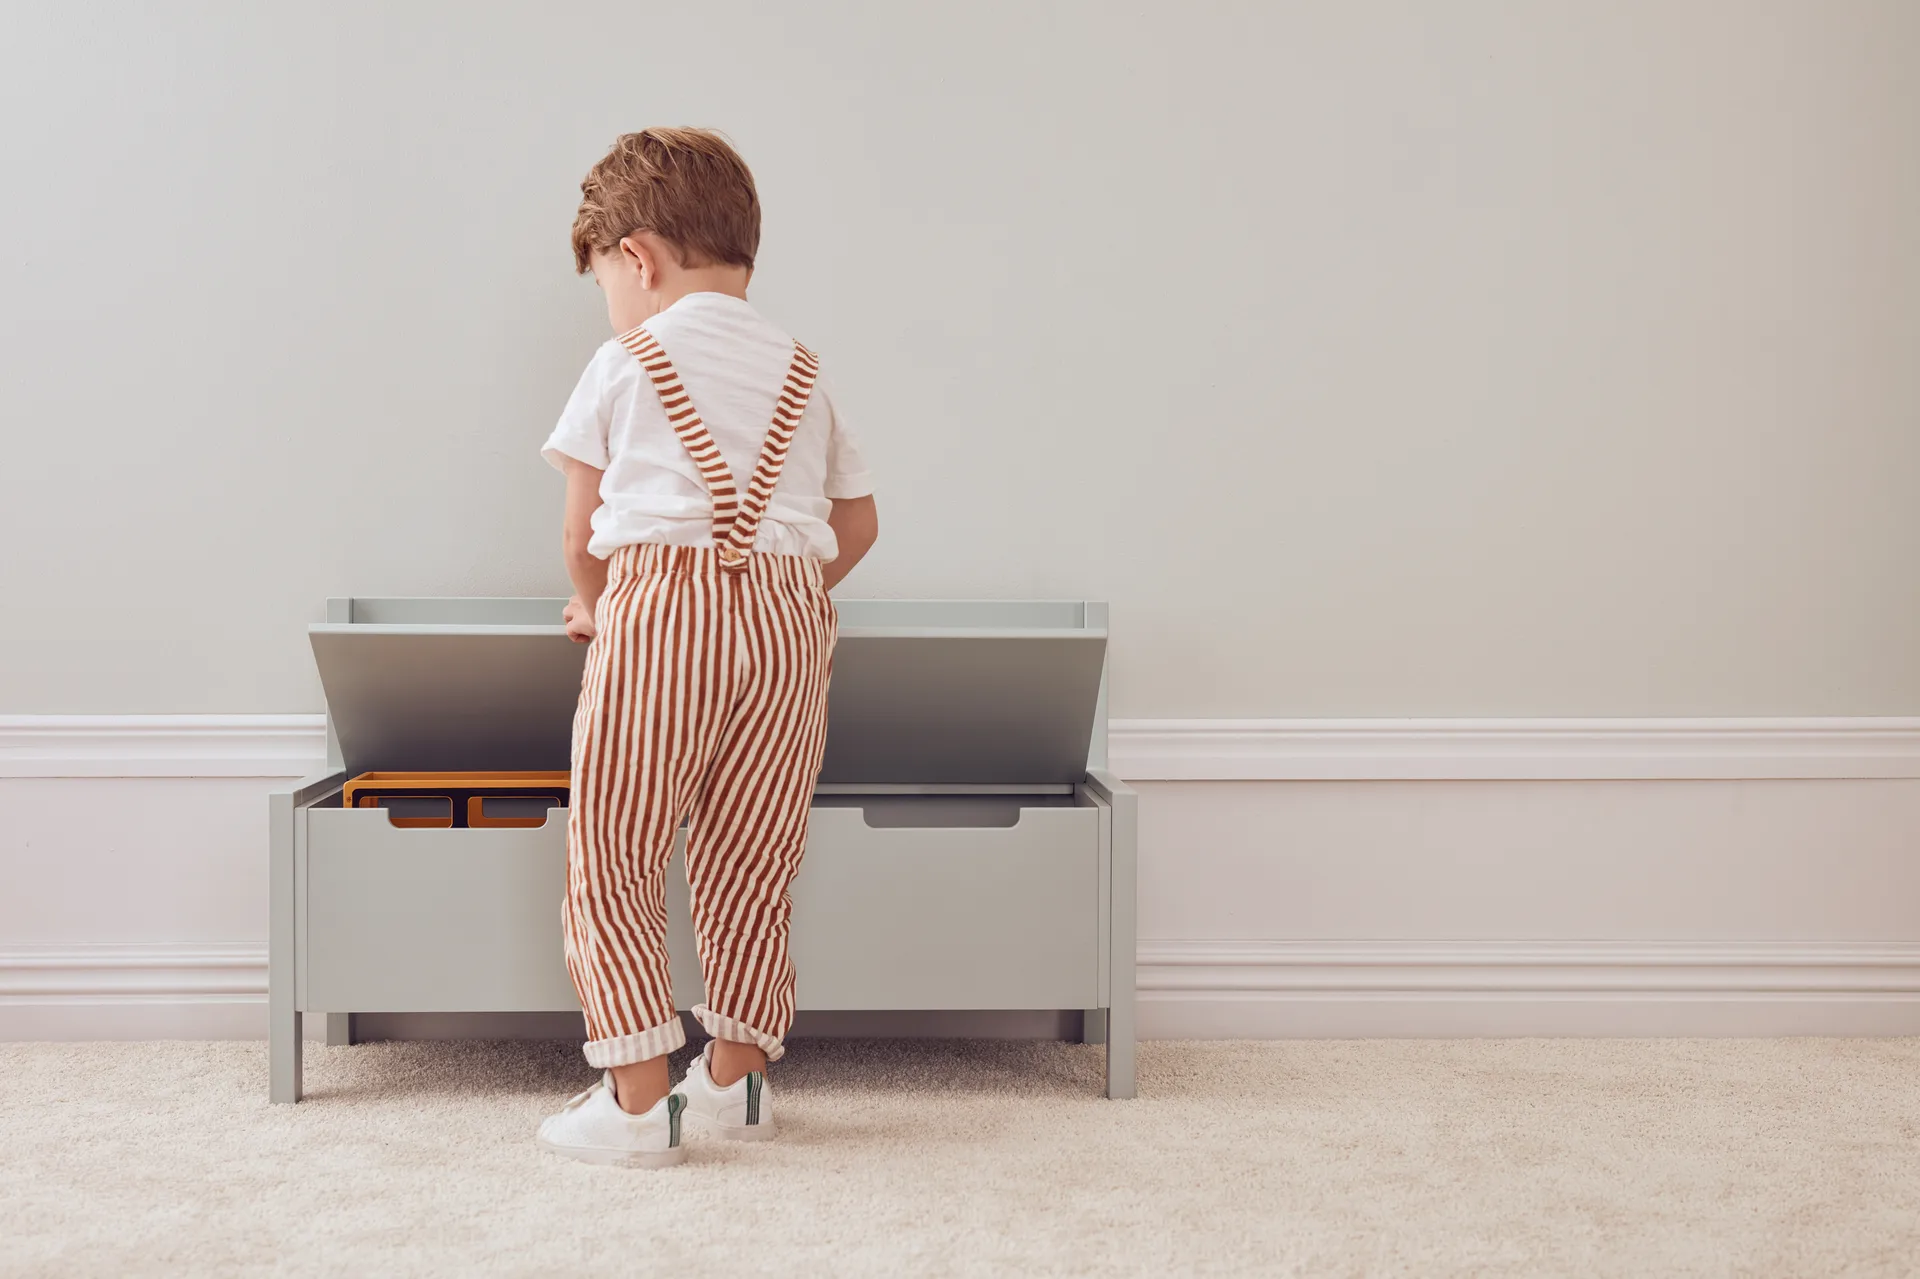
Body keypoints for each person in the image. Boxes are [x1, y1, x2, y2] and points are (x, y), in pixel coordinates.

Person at [534, 128, 879, 1167]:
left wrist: (594, 604)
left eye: (607, 279)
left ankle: (638, 1097)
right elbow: (857, 525)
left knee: (619, 845)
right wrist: (772, 593)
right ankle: (737, 1081)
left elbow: (579, 525)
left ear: (636, 259)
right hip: (785, 622)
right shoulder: (804, 368)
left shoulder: (623, 359)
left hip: (662, 608)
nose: (612, 302)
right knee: (752, 855)